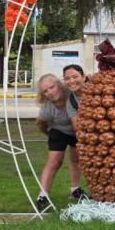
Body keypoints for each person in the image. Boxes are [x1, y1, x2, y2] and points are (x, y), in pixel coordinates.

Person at [35, 73, 85, 210]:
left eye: (52, 87)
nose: (50, 92)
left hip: (76, 130)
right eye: (45, 91)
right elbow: (40, 123)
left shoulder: (71, 94)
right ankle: (42, 196)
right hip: (58, 130)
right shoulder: (47, 109)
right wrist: (51, 135)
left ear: (59, 85)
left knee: (76, 159)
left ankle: (75, 190)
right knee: (54, 161)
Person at [63, 64, 87, 132]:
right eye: (67, 78)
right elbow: (77, 127)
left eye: (75, 77)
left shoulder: (97, 88)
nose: (71, 81)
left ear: (84, 77)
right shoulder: (71, 102)